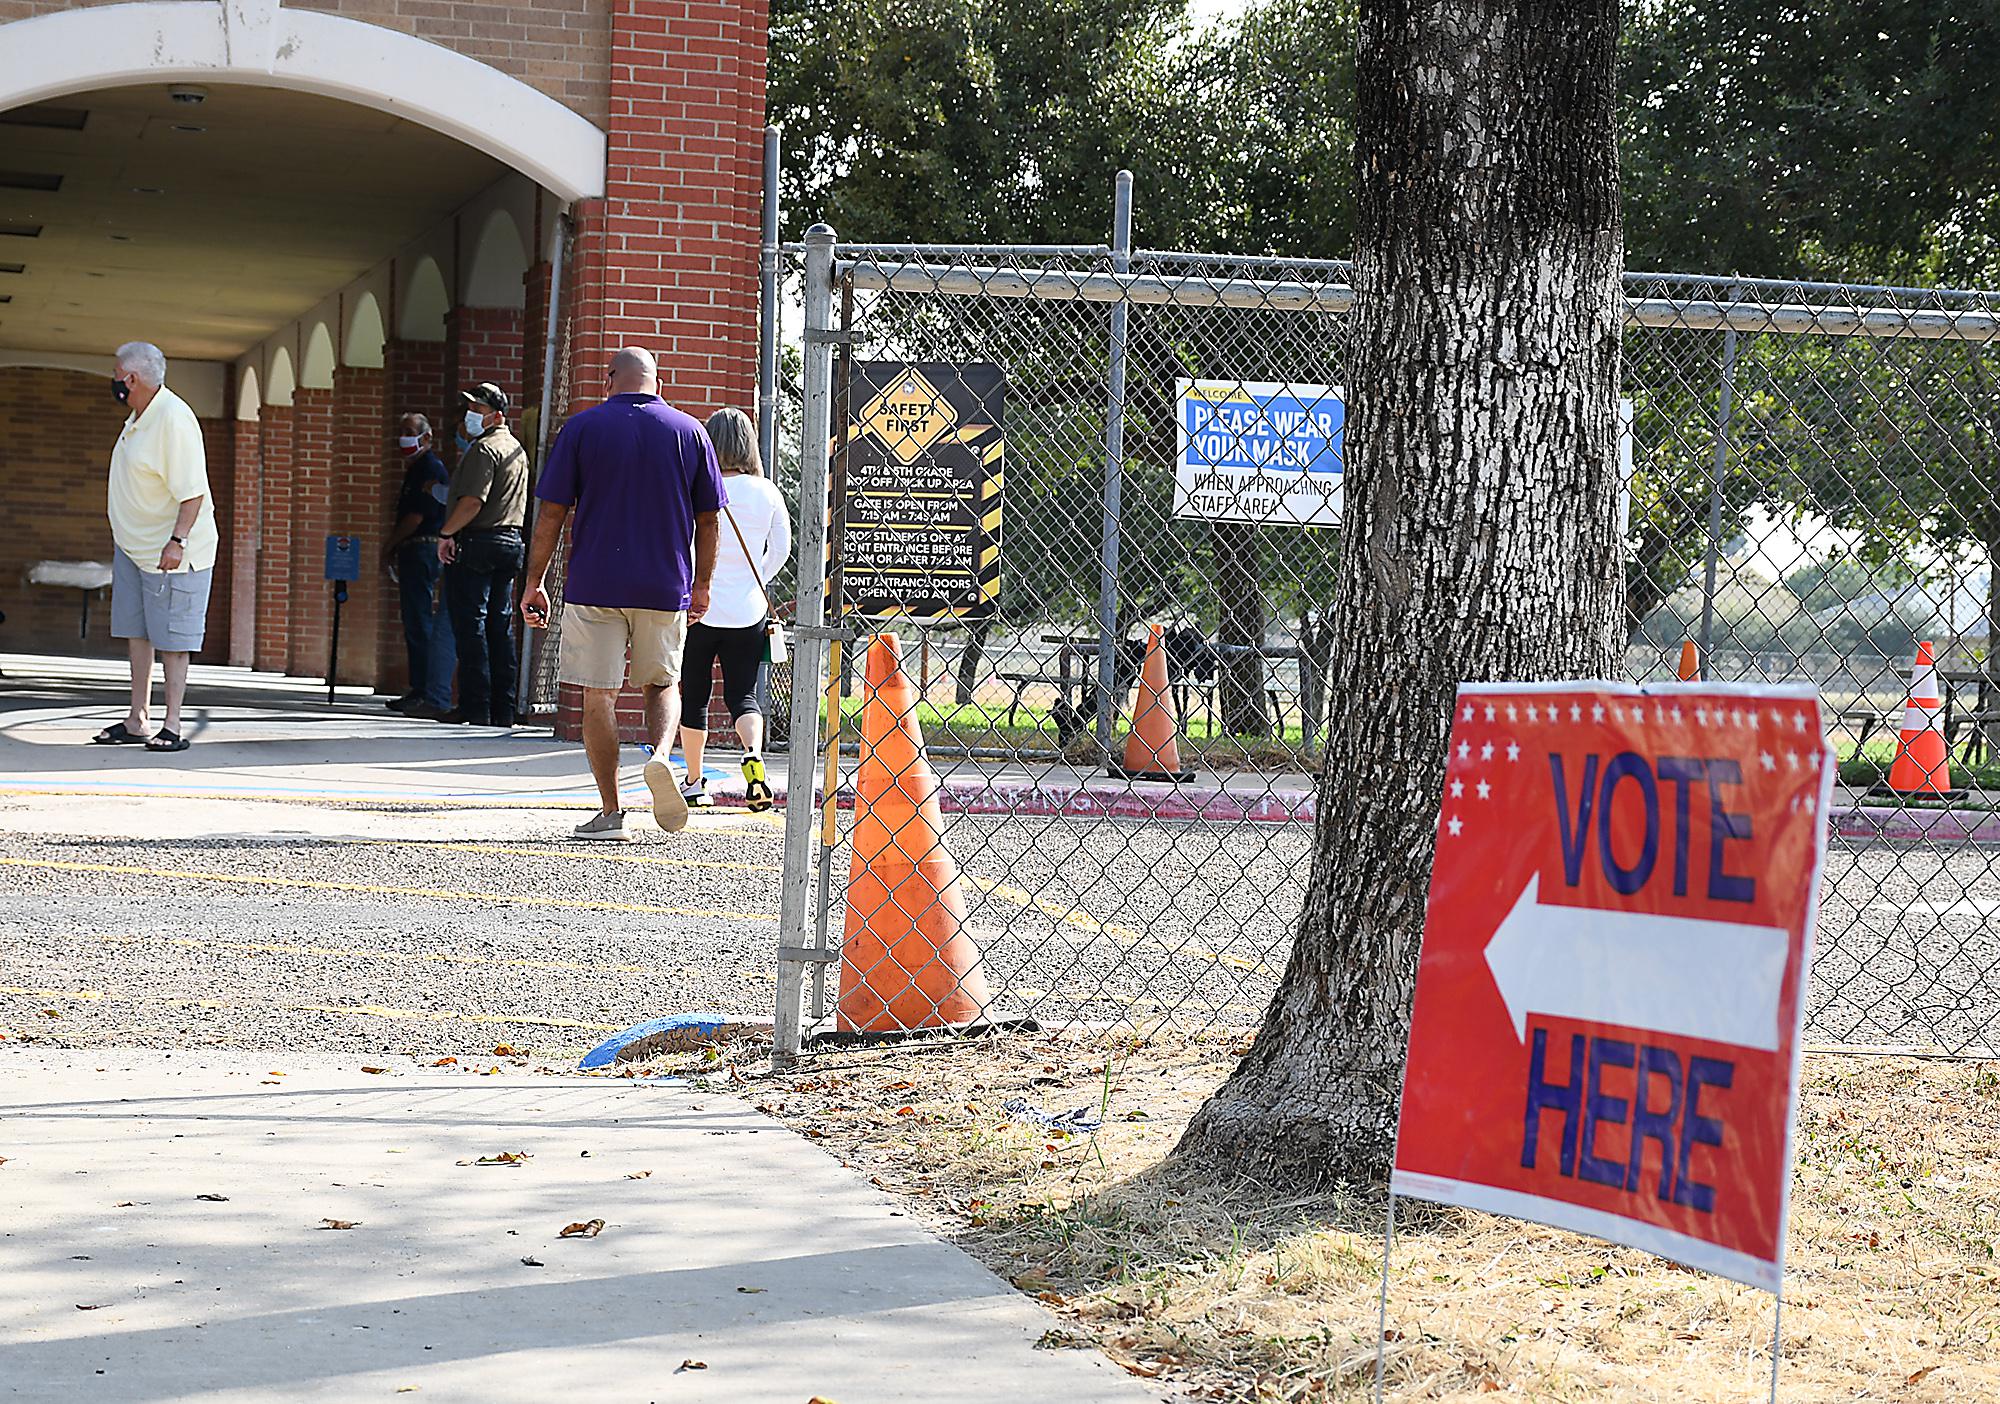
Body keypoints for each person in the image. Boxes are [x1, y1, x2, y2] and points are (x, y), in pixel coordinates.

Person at [521, 347, 723, 841]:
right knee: (663, 684)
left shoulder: (582, 429)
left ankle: (611, 812)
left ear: (611, 379)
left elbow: (551, 513)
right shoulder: (690, 431)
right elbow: (709, 518)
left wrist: (534, 581)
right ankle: (658, 758)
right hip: (663, 583)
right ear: (658, 381)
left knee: (598, 696)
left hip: (595, 583)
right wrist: (701, 585)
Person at [90, 340, 216, 754]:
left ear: (132, 379)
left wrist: (177, 541)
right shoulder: (139, 415)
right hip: (134, 548)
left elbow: (192, 493)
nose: (113, 382)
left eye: (116, 375)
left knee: (174, 641)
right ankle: (137, 718)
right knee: (138, 633)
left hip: (172, 554)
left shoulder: (173, 420)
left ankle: (173, 724)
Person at [676, 407, 790, 812]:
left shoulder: (694, 486)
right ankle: (753, 754)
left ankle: (694, 782)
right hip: (749, 611)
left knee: (695, 697)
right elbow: (781, 550)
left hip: (697, 609)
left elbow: (683, 542)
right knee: (744, 695)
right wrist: (753, 576)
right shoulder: (768, 492)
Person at [438, 382, 527, 727]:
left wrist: (446, 533)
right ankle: (502, 709)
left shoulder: (484, 450)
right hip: (510, 542)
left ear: (498, 415)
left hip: (478, 543)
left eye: (478, 410)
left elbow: (473, 501)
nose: (471, 416)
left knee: (471, 625)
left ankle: (475, 706)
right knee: (499, 625)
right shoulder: (516, 449)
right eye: (470, 409)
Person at [380, 413, 456, 719]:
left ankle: (426, 689)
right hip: (417, 551)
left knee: (420, 620)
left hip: (423, 548)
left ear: (426, 437)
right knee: (414, 621)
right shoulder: (415, 470)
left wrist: (388, 547)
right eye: (401, 432)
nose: (404, 438)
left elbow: (416, 517)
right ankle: (419, 688)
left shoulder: (429, 468)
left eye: (410, 432)